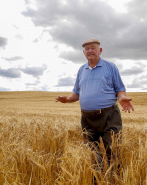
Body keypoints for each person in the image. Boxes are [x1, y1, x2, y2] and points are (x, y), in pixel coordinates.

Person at [55, 38, 134, 170]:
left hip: (109, 116)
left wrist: (122, 98)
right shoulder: (81, 70)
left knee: (113, 151)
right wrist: (68, 99)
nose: (90, 50)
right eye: (87, 49)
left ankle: (114, 179)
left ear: (100, 50)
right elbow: (76, 93)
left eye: (93, 47)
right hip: (87, 118)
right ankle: (96, 179)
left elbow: (120, 89)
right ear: (83, 52)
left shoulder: (110, 67)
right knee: (92, 153)